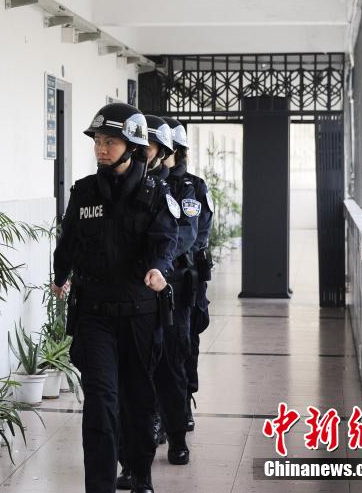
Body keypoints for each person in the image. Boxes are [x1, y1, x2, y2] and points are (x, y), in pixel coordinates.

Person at [52, 103, 180, 493]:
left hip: (140, 315)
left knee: (138, 403)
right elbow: (69, 240)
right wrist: (60, 275)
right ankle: (100, 486)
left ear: (134, 145)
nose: (102, 149)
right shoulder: (84, 191)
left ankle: (140, 472)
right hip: (94, 316)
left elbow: (166, 240)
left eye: (111, 142)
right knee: (101, 404)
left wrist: (159, 269)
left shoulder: (155, 193)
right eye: (99, 142)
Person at [145, 115, 199, 467]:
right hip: (137, 291)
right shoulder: (134, 187)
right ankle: (147, 432)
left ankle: (177, 435)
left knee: (172, 365)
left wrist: (157, 266)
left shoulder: (184, 190)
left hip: (172, 289)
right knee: (139, 370)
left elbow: (187, 234)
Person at [161, 117, 215, 434]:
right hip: (155, 279)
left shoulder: (192, 187)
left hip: (184, 279)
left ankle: (182, 403)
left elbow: (192, 234)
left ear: (178, 151)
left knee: (184, 343)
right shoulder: (150, 183)